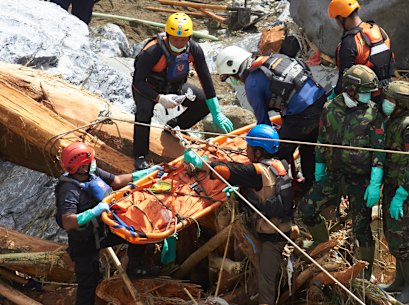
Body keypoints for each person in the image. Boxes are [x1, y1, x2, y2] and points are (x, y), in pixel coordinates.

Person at [183, 124, 294, 305]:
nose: (247, 149)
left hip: (272, 237)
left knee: (265, 283)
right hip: (279, 226)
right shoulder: (281, 165)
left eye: (249, 147)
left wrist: (197, 162)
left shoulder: (256, 173)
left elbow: (224, 171)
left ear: (258, 153)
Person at [299, 64, 385, 280]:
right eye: (365, 91)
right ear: (352, 90)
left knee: (362, 228)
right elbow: (322, 140)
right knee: (307, 209)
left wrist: (375, 183)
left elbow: (379, 152)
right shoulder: (330, 108)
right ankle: (322, 243)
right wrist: (319, 168)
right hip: (334, 174)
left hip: (361, 180)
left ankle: (365, 272)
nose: (368, 96)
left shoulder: (373, 113)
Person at [55, 142, 162, 305]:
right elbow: (67, 221)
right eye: (91, 160)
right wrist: (94, 211)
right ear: (82, 167)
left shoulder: (91, 173)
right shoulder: (69, 190)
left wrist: (144, 174)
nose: (94, 162)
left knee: (140, 231)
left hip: (105, 229)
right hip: (85, 242)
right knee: (88, 283)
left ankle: (134, 267)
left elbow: (117, 180)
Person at [215, 46, 326, 192]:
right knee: (308, 146)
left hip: (301, 114)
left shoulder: (252, 83)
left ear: (235, 69)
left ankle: (279, 192)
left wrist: (258, 152)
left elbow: (264, 124)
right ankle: (310, 184)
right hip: (320, 101)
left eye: (230, 77)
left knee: (277, 152)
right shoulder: (273, 58)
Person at [132, 13, 233, 170]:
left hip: (174, 88)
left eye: (183, 39)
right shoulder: (152, 51)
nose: (179, 43)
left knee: (203, 102)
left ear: (189, 37)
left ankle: (174, 126)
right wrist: (159, 99)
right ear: (168, 35)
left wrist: (216, 112)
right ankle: (139, 155)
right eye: (175, 39)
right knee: (144, 112)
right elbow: (137, 82)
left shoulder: (194, 49)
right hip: (148, 88)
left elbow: (206, 80)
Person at [378, 81, 409, 304]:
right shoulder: (394, 120)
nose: (385, 103)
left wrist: (401, 195)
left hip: (406, 192)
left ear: (401, 105)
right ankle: (399, 281)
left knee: (401, 239)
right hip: (391, 185)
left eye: (390, 100)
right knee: (391, 235)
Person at [328, 0, 395, 99]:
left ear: (341, 18)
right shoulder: (377, 29)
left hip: (364, 97)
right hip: (386, 92)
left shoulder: (349, 42)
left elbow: (344, 80)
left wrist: (333, 96)